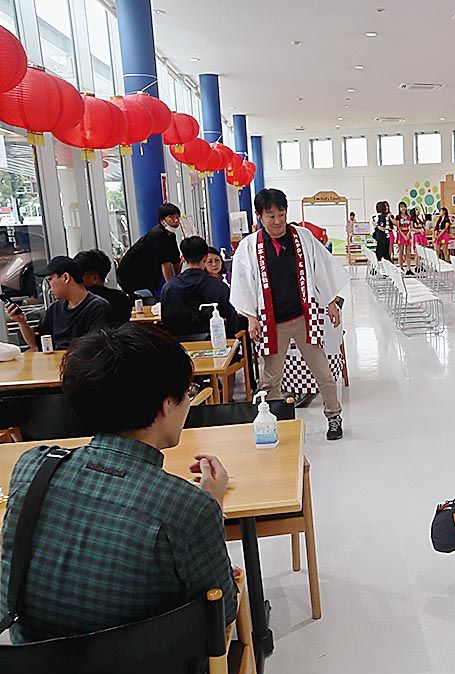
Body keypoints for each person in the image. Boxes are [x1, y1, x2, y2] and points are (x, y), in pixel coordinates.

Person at [0, 324, 237, 643]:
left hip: (28, 668)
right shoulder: (190, 507)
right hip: (147, 673)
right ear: (166, 405)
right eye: (187, 394)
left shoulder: (33, 466)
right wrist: (213, 502)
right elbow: (221, 615)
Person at [231, 188, 350, 441]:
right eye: (271, 215)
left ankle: (334, 416)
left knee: (323, 372)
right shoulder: (249, 247)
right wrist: (251, 318)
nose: (277, 221)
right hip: (272, 322)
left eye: (281, 214)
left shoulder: (302, 237)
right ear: (259, 216)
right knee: (270, 379)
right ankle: (275, 422)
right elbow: (243, 284)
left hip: (303, 317)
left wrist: (330, 302)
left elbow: (321, 269)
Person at [5, 256, 110, 351]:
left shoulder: (98, 307)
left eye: (50, 279)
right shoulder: (55, 308)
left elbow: (93, 348)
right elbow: (36, 344)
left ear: (66, 277)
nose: (48, 286)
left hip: (81, 363)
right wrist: (21, 321)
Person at [160, 236, 239, 338]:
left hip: (178, 344)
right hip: (213, 343)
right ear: (205, 258)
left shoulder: (169, 287)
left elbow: (165, 320)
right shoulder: (219, 286)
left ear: (183, 259)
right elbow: (232, 321)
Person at [116, 202, 182, 295]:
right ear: (162, 220)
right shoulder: (158, 234)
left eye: (177, 217)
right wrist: (172, 288)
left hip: (147, 274)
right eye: (171, 217)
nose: (176, 220)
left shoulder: (171, 235)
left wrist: (180, 280)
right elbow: (165, 264)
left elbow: (176, 260)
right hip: (131, 274)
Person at [74, 248, 133, 325]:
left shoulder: (82, 302)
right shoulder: (122, 299)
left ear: (94, 278)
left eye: (78, 274)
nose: (74, 278)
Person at [392, 201, 413, 273]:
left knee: (408, 252)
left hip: (408, 234)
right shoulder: (398, 217)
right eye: (401, 207)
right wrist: (404, 235)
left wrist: (408, 234)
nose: (403, 208)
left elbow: (411, 227)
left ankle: (409, 268)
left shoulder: (409, 217)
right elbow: (398, 228)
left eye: (404, 207)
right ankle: (401, 267)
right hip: (401, 235)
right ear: (399, 208)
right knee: (401, 252)